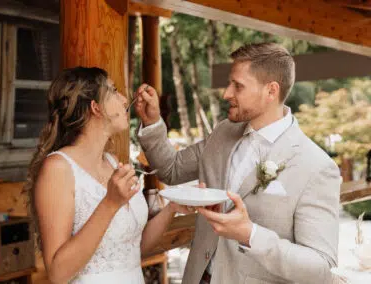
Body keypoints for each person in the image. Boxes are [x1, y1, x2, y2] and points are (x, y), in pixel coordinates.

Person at [135, 43, 341, 284]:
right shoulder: (223, 132)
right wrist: (152, 123)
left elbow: (319, 267)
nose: (226, 94)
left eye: (238, 86)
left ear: (271, 91)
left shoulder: (316, 166)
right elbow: (172, 169)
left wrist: (250, 234)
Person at [24, 67, 191, 284]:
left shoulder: (113, 162)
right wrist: (110, 203)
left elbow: (134, 247)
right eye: (113, 90)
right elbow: (57, 273)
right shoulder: (58, 168)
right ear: (96, 108)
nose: (124, 100)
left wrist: (172, 208)